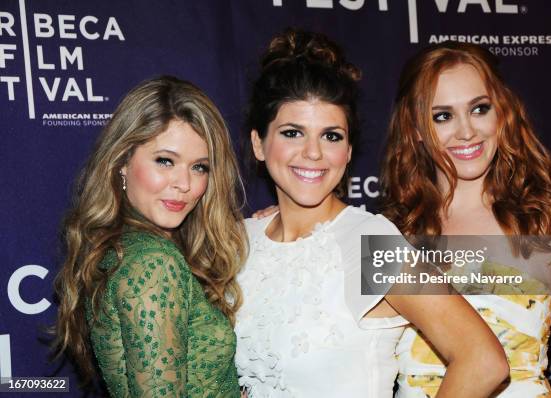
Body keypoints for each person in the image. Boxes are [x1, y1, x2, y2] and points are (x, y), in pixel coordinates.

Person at [235, 28, 509, 397]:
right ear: (259, 143)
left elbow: (483, 360)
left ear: (348, 152)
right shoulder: (241, 240)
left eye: (331, 135)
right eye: (292, 133)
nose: (313, 153)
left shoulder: (369, 243)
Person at [381, 42, 551, 397]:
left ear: (502, 112)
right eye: (443, 116)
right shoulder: (391, 233)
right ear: (414, 128)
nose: (466, 131)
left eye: (479, 109)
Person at [52, 76, 248, 397]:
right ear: (122, 162)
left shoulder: (363, 230)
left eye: (200, 167)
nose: (184, 183)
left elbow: (365, 331)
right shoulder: (152, 260)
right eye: (165, 161)